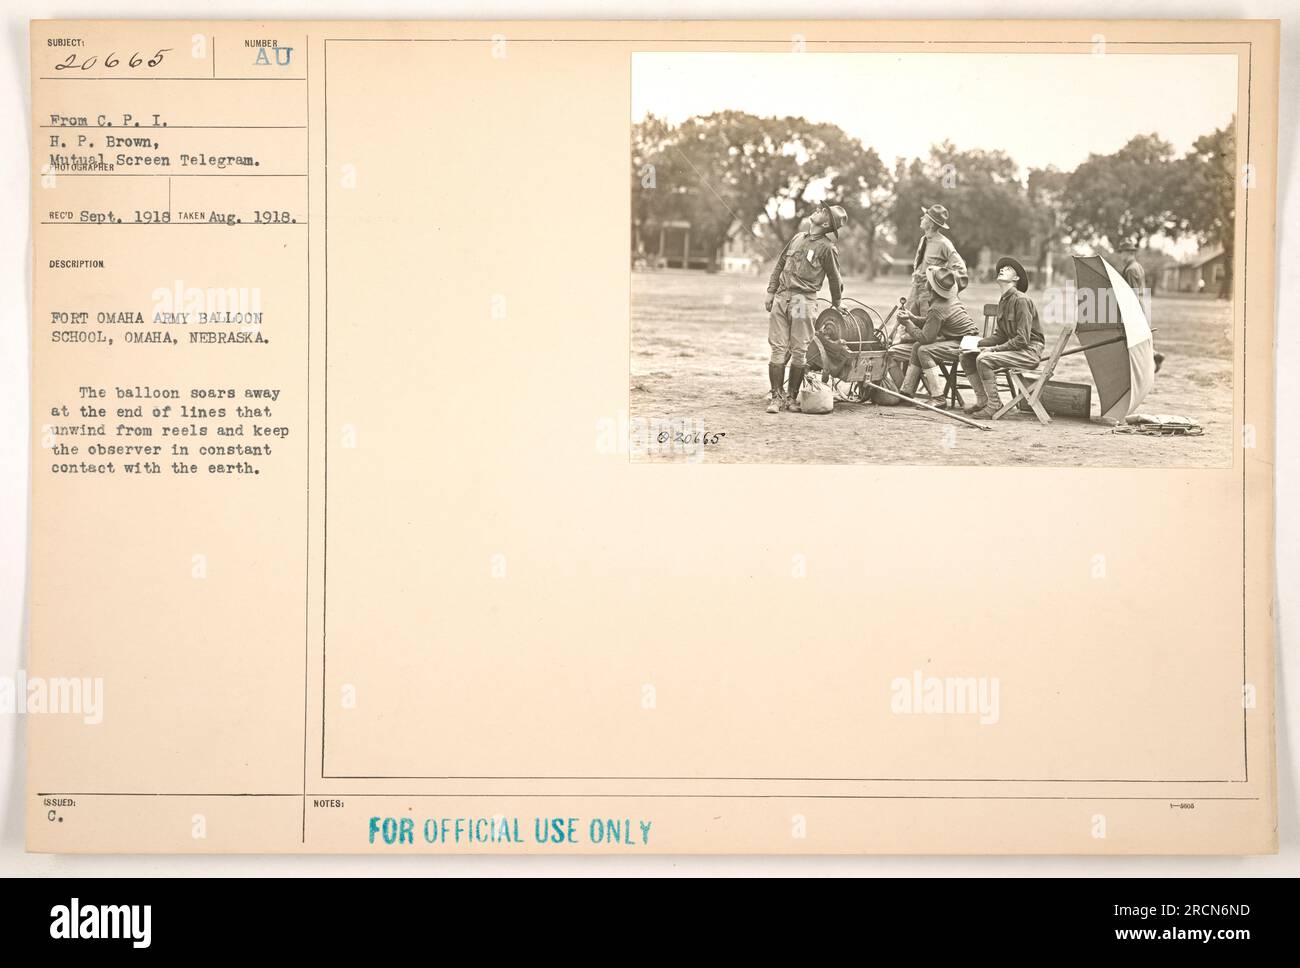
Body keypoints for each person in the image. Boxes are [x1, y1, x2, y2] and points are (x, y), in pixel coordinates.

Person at [763, 202, 847, 413]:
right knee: (778, 348)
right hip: (782, 298)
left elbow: (834, 279)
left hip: (803, 301)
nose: (817, 210)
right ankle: (776, 397)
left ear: (826, 222)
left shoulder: (827, 248)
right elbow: (780, 264)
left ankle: (791, 398)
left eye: (822, 211)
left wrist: (838, 303)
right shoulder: (797, 238)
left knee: (799, 350)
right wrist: (771, 291)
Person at [963, 256, 1044, 419]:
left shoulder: (1021, 301)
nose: (1002, 269)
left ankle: (994, 405)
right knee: (966, 356)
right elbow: (1000, 335)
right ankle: (983, 400)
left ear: (1016, 279)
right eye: (1001, 268)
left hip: (1028, 352)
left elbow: (1022, 339)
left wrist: (993, 349)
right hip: (1016, 349)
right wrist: (975, 343)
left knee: (984, 359)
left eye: (1008, 269)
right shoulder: (1004, 301)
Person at [892, 265, 978, 408]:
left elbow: (926, 338)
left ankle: (938, 398)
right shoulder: (946, 301)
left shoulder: (937, 308)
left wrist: (907, 324)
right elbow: (931, 322)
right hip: (966, 340)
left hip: (965, 344)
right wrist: (912, 317)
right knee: (917, 347)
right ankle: (906, 392)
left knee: (923, 350)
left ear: (930, 286)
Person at [1118, 238, 1165, 373]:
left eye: (1122, 252)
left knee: (1132, 337)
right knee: (1138, 336)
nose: (1121, 256)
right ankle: (1154, 355)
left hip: (1135, 307)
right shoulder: (1137, 266)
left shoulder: (1131, 269)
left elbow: (1132, 292)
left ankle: (1151, 358)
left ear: (1128, 253)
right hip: (1141, 304)